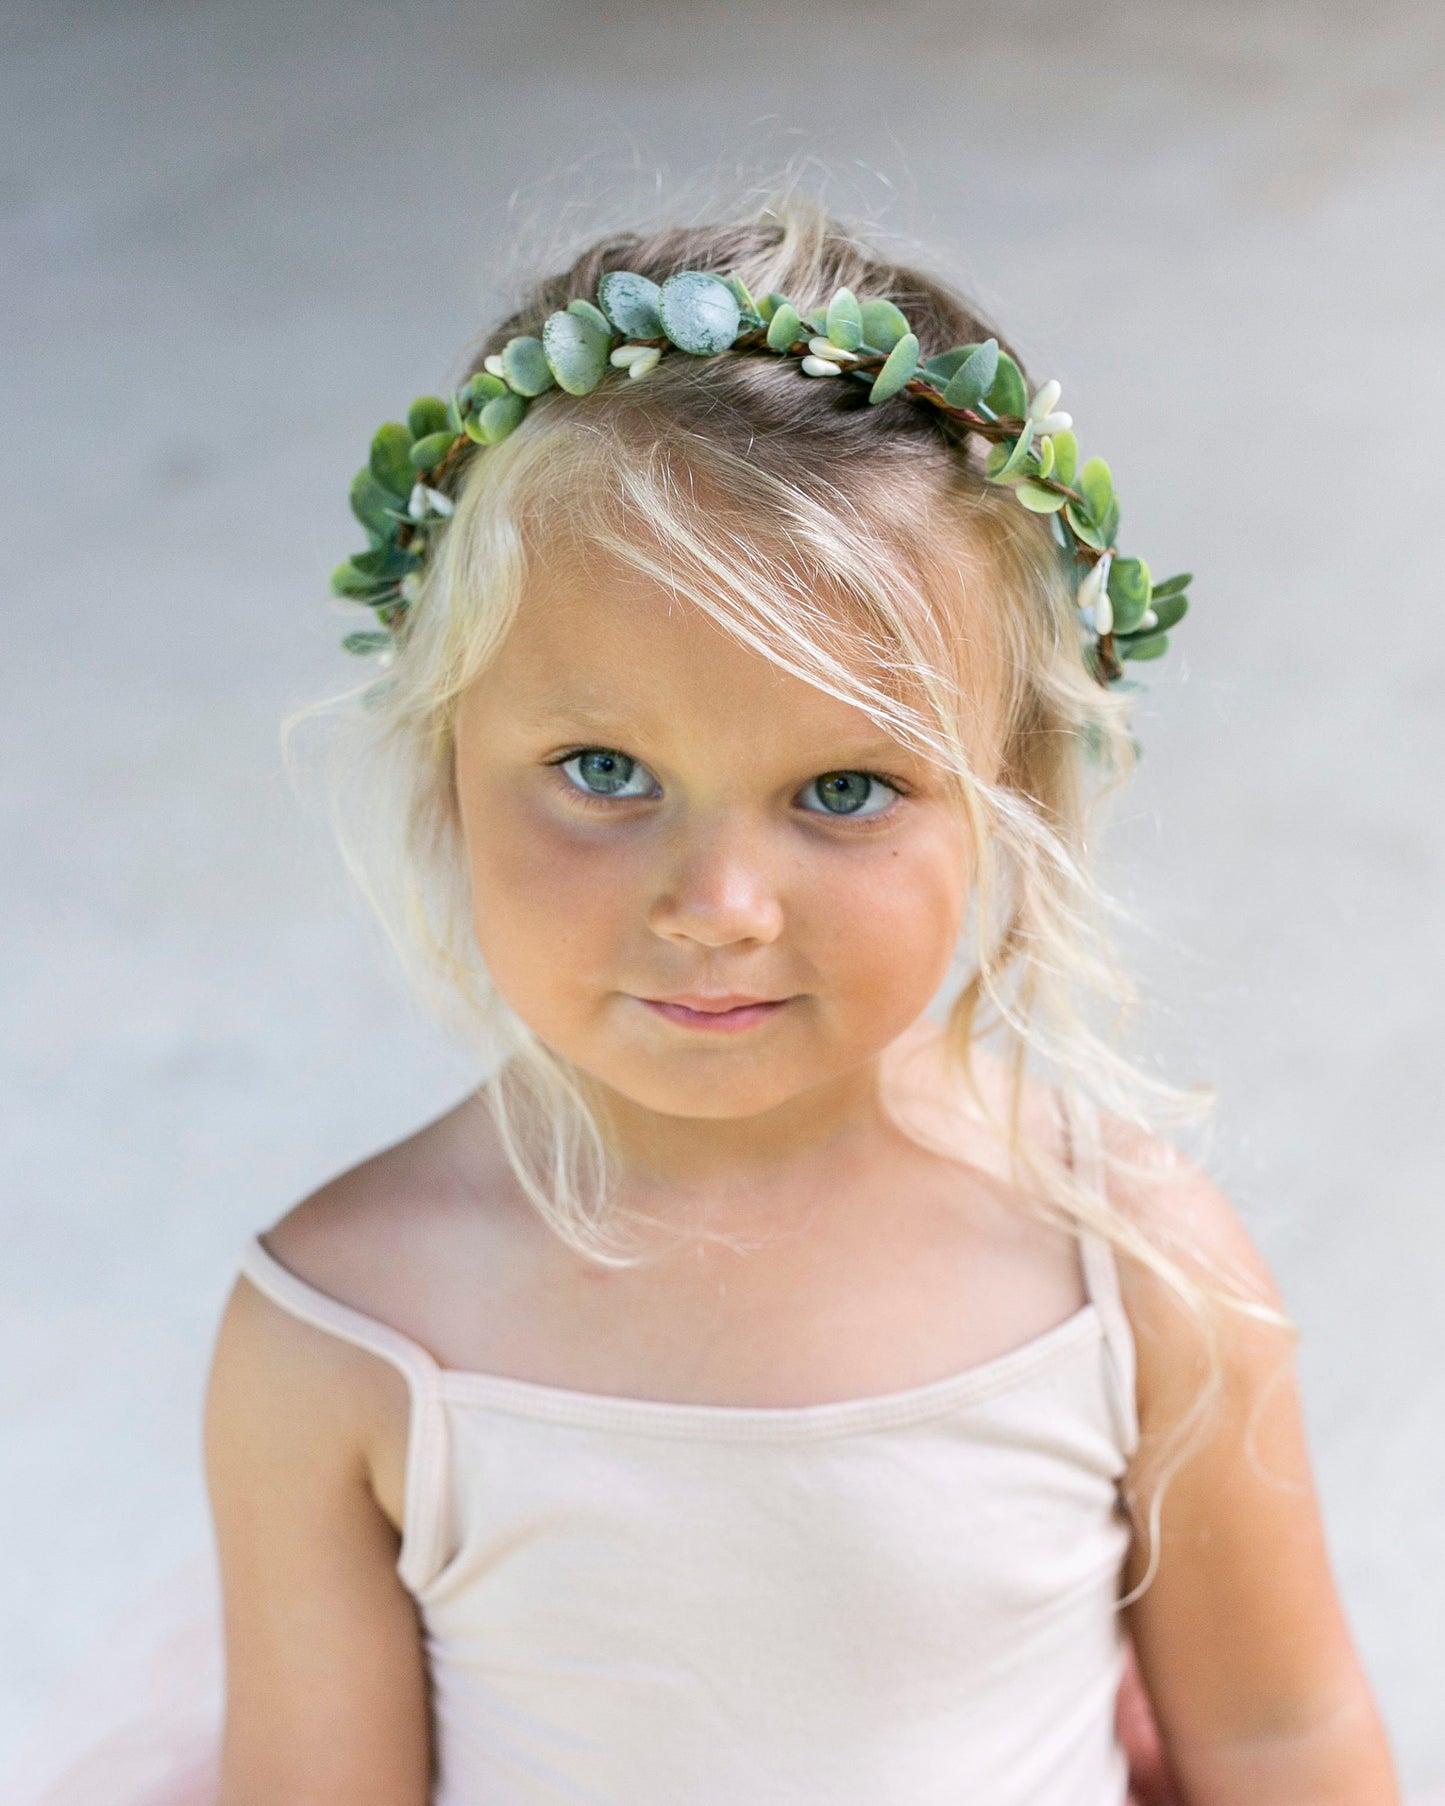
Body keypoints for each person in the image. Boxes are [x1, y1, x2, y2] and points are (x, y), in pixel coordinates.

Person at [199, 199, 1402, 1806]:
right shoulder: (346, 1336)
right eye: (604, 772)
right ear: (444, 760)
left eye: (842, 787)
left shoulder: (1123, 1270)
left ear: (1009, 789)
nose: (720, 906)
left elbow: (1276, 1732)